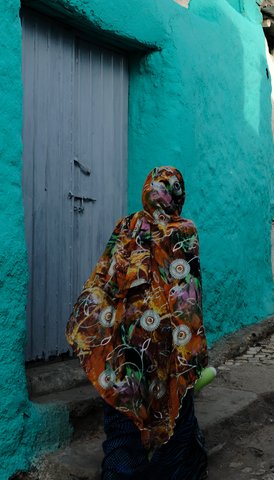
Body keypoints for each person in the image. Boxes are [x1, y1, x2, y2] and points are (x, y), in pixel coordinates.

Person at [66, 166, 208, 479]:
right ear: (176, 195)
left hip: (123, 340)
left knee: (123, 417)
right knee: (176, 408)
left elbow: (103, 282)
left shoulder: (126, 226)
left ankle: (122, 472)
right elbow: (188, 296)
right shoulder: (183, 230)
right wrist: (192, 351)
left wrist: (95, 328)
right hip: (164, 344)